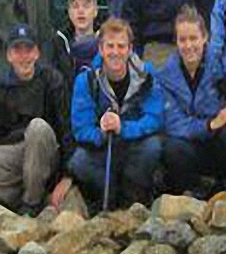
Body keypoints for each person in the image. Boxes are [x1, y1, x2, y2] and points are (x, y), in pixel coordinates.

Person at [0, 24, 74, 215]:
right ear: (9, 55)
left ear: (37, 53)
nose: (24, 57)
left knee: (37, 128)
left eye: (28, 49)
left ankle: (31, 204)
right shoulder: (0, 89)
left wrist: (68, 176)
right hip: (16, 152)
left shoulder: (52, 80)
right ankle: (23, 198)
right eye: (17, 50)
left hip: (47, 149)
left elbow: (66, 130)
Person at [69, 18, 163, 210]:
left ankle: (134, 199)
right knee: (79, 161)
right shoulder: (86, 80)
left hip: (133, 145)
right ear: (101, 49)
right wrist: (101, 131)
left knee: (152, 147)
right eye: (109, 46)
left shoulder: (146, 76)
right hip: (103, 149)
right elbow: (80, 129)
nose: (115, 52)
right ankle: (107, 197)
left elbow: (155, 118)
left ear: (130, 49)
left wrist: (124, 128)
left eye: (121, 46)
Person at [160, 7, 226, 195]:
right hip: (192, 145)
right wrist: (210, 124)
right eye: (182, 39)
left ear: (205, 37)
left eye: (193, 38)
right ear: (176, 42)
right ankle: (194, 188)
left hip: (223, 145)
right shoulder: (165, 77)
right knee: (171, 147)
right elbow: (174, 124)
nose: (188, 45)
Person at [61, 0, 99, 73]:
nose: (80, 11)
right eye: (75, 6)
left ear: (95, 11)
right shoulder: (60, 47)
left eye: (86, 6)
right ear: (69, 12)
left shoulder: (107, 45)